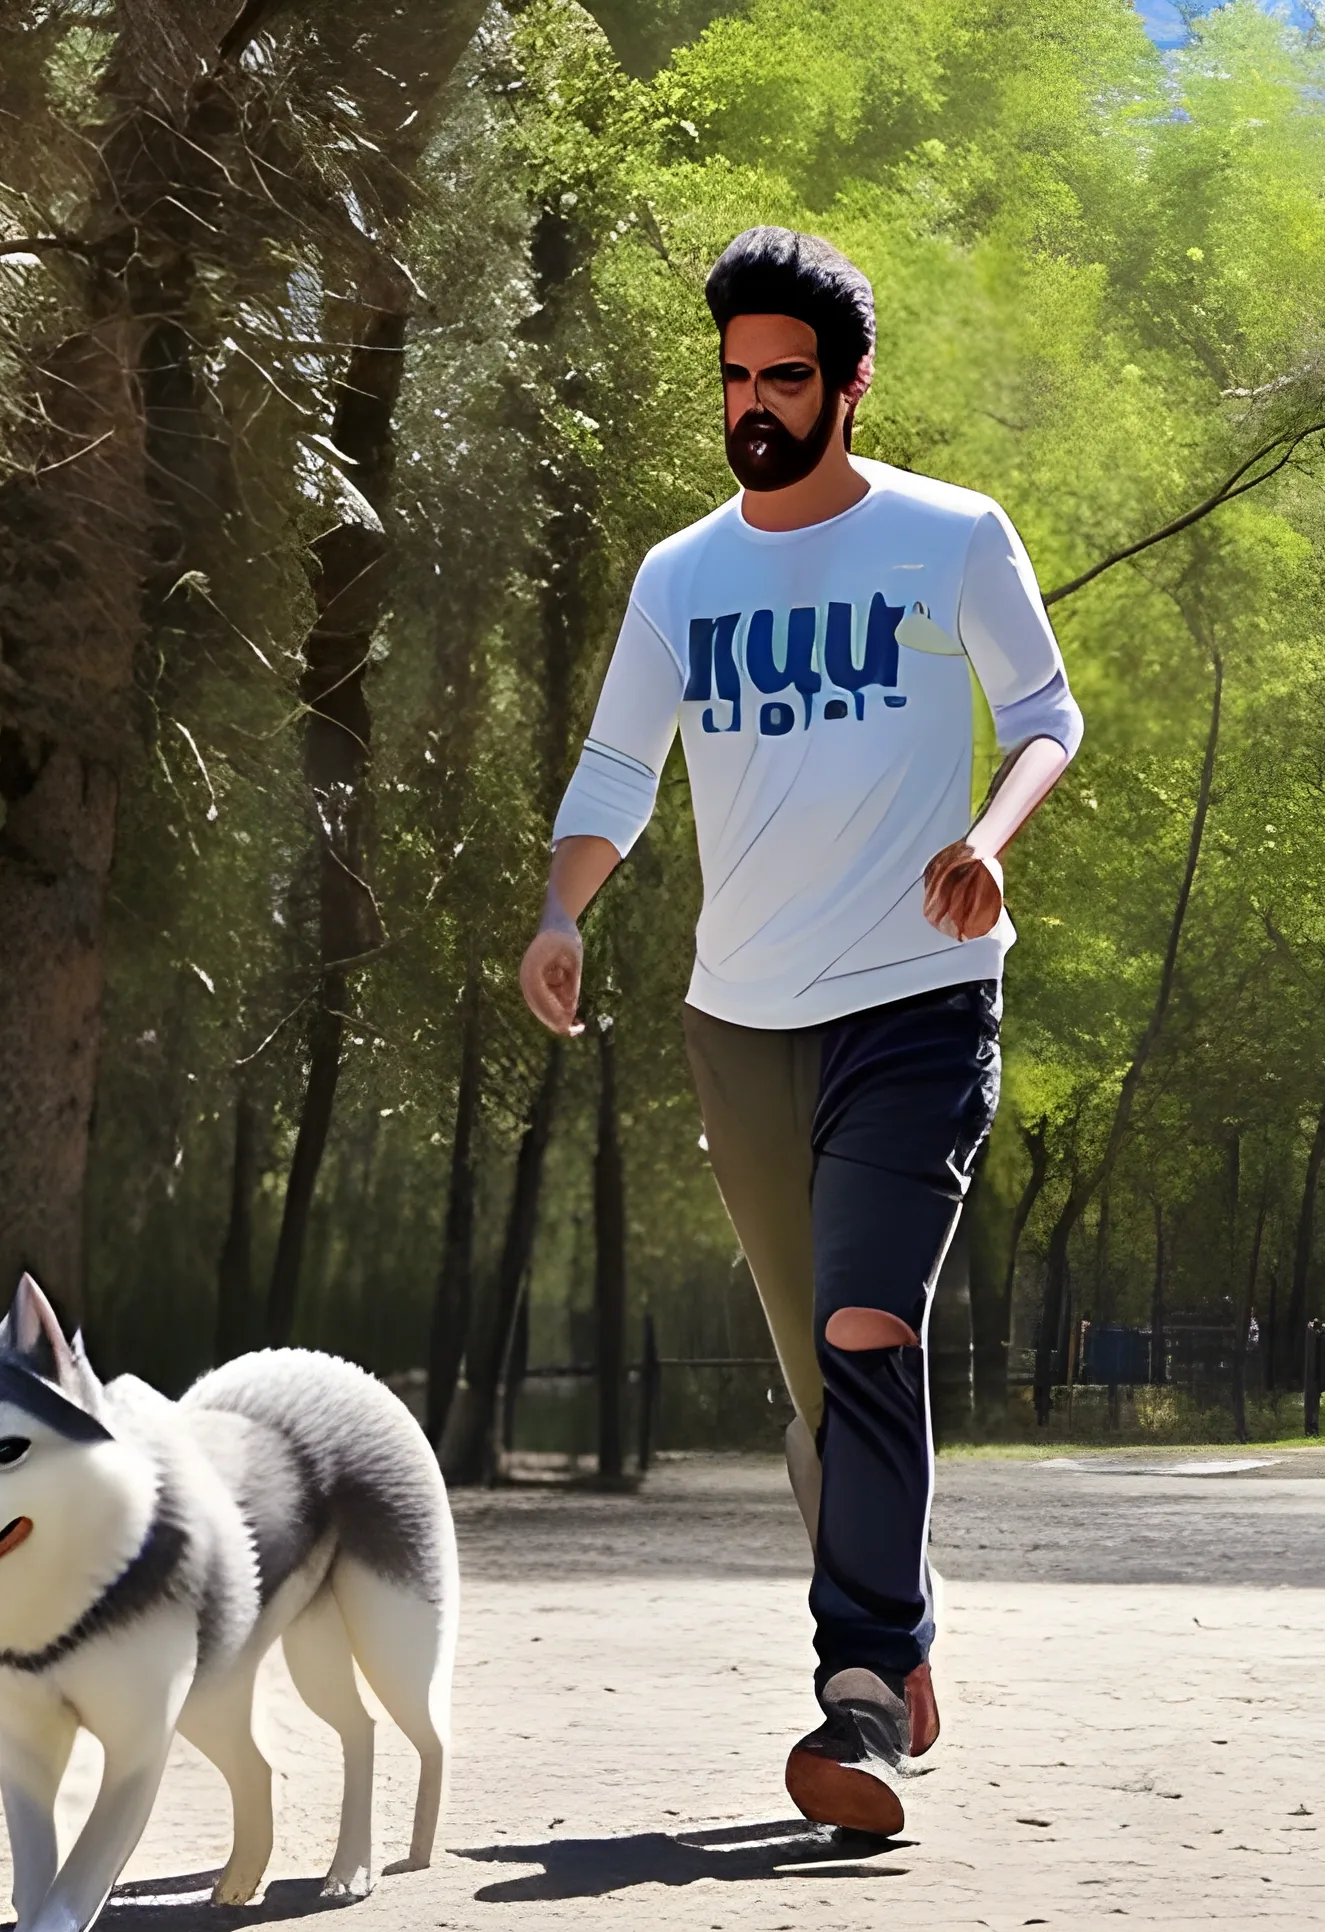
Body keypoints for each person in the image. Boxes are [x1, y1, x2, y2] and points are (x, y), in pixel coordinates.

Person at [517, 226, 1081, 1835]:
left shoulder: (951, 535)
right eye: (737, 379)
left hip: (917, 998)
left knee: (863, 1334)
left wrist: (989, 838)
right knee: (814, 1386)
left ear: (847, 383)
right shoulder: (679, 577)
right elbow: (618, 772)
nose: (757, 404)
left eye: (787, 377)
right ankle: (903, 1617)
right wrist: (564, 913)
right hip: (737, 1023)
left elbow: (1048, 715)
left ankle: (856, 1700)